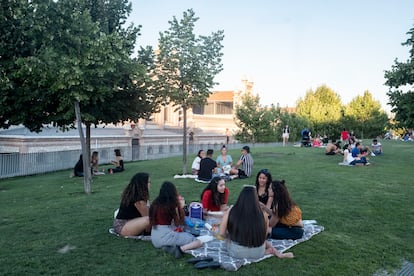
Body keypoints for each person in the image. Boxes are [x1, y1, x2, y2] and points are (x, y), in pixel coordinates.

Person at [219, 185, 294, 259]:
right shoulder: (263, 213)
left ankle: (269, 252)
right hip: (258, 252)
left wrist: (229, 236)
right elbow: (263, 237)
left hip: (237, 253)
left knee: (228, 238)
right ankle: (276, 253)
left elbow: (221, 234)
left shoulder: (231, 210)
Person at [149, 181, 205, 258]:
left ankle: (169, 246)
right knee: (198, 242)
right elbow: (178, 223)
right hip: (165, 236)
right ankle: (179, 249)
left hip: (154, 236)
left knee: (184, 234)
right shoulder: (171, 204)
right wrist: (181, 207)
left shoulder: (155, 203)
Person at [113, 172, 151, 236]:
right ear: (142, 184)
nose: (150, 184)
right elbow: (148, 219)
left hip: (131, 222)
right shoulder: (138, 199)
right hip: (123, 226)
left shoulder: (134, 194)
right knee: (149, 219)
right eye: (148, 182)